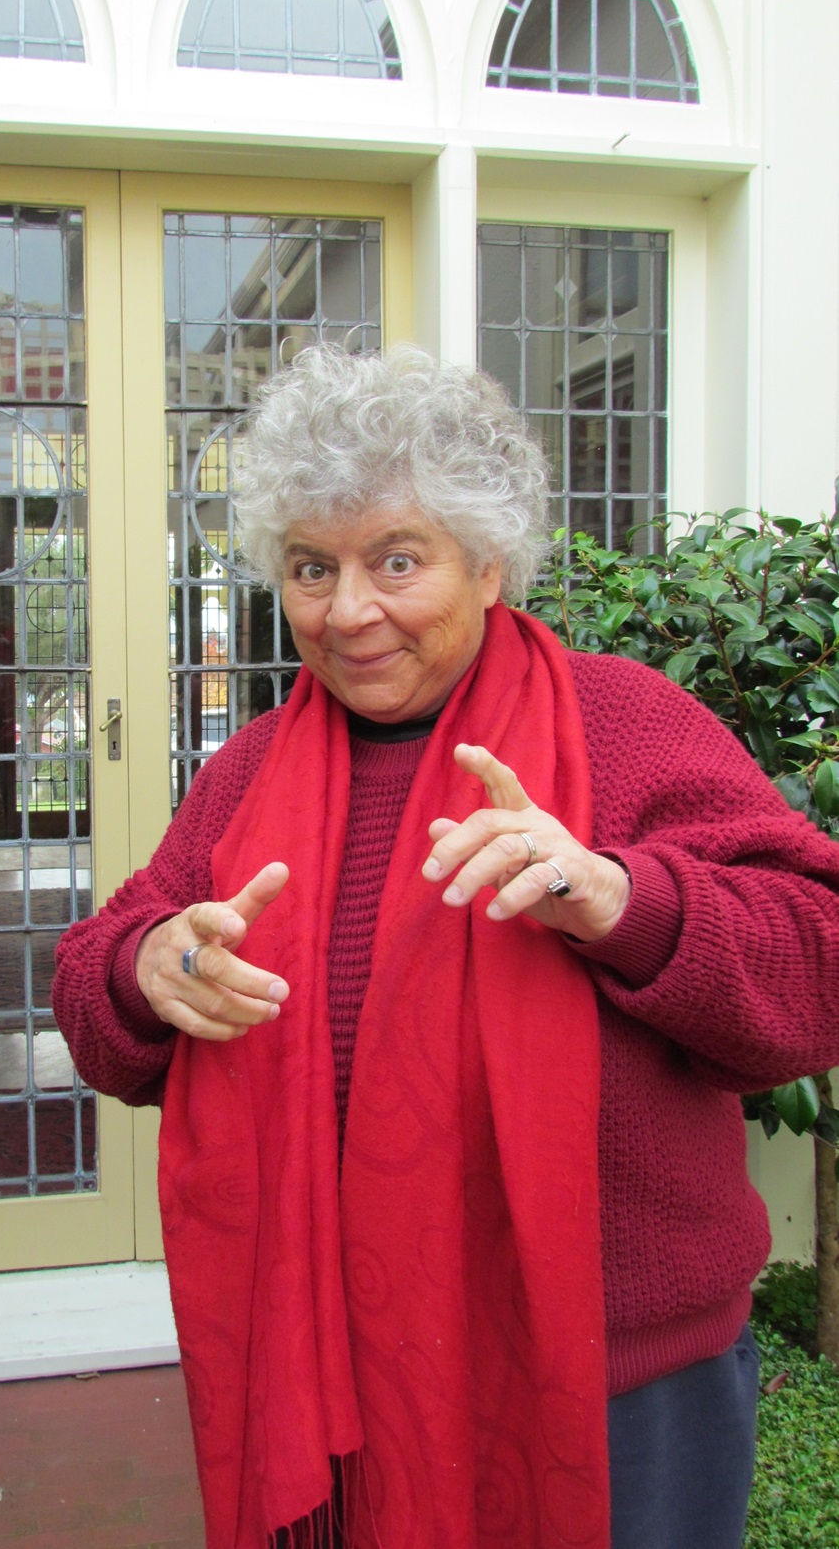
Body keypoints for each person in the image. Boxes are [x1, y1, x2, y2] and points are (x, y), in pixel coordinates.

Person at [52, 344, 839, 1549]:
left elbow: (817, 963)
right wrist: (146, 967)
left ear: (488, 560)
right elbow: (97, 982)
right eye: (311, 567)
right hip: (331, 1376)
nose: (346, 610)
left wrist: (616, 897)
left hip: (622, 1391)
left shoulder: (626, 724)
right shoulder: (247, 774)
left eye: (395, 560)